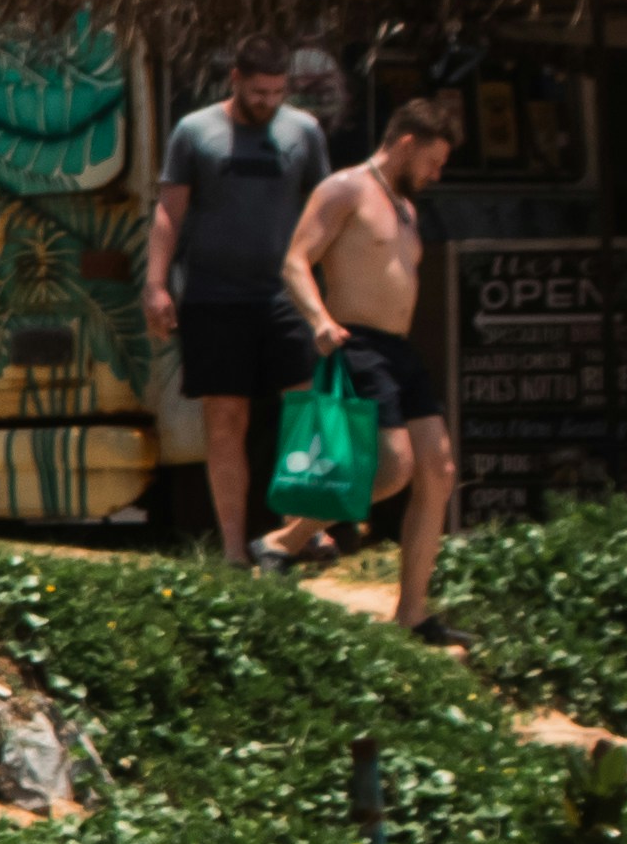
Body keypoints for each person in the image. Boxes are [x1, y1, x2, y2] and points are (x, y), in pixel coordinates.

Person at [281, 92, 464, 640]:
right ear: (406, 144)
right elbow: (294, 260)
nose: (435, 175)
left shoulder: (405, 206)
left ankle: (413, 613)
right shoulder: (345, 188)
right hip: (355, 340)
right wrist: (317, 319)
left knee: (440, 470)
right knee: (392, 468)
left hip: (400, 348)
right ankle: (283, 542)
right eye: (432, 162)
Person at [141, 52, 329, 567]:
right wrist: (156, 284)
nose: (268, 103)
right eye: (258, 93)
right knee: (226, 419)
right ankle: (232, 549)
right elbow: (168, 210)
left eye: (277, 93)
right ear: (236, 81)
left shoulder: (304, 131)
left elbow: (323, 210)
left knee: (305, 405)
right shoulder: (194, 131)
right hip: (214, 296)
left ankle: (299, 530)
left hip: (284, 294)